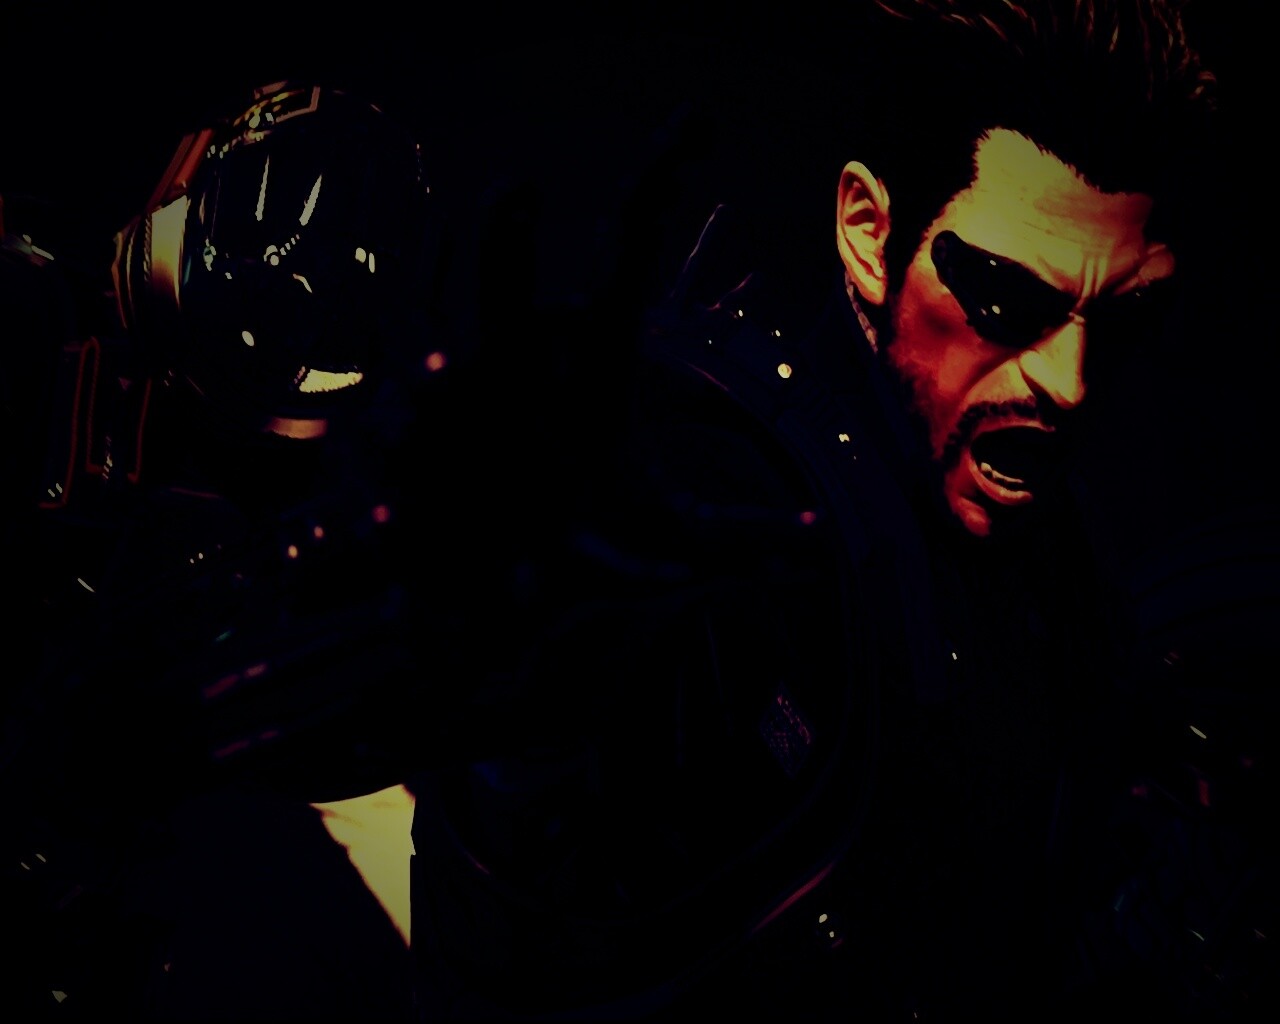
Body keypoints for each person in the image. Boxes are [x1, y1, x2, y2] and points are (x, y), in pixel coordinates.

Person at [403, 1, 1278, 1020]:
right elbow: (530, 906)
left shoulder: (1060, 553)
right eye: (1005, 299)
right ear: (869, 234)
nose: (1069, 380)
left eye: (1121, 317)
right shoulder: (719, 504)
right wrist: (524, 722)